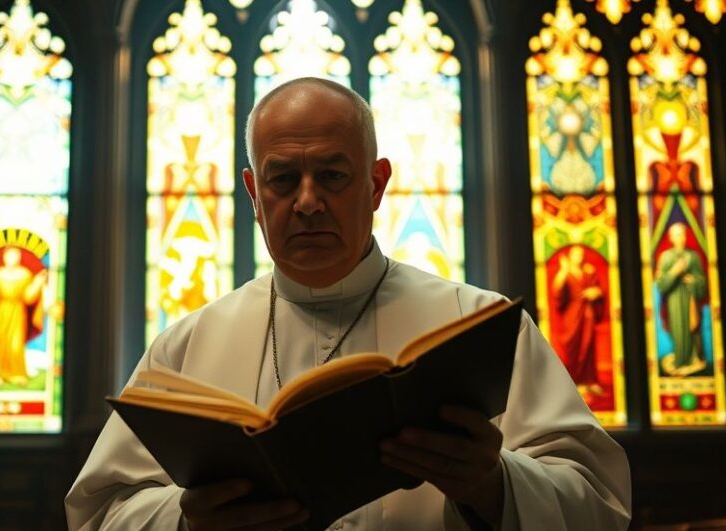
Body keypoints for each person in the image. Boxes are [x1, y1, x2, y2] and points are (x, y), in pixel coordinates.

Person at [66, 78, 630, 530]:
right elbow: (101, 512)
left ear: (377, 183)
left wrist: (493, 483)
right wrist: (189, 522)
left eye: (332, 175)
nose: (307, 202)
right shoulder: (185, 346)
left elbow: (597, 504)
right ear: (253, 196)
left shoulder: (478, 324)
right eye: (282, 179)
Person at [0, 245, 47, 387]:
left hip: (17, 312)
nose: (12, 258)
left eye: (16, 255)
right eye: (10, 255)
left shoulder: (25, 274)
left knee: (15, 343)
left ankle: (17, 374)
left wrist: (37, 284)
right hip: (0, 312)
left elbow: (28, 297)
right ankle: (1, 373)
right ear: (4, 257)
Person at [550, 245, 605, 396]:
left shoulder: (588, 272)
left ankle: (589, 381)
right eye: (576, 254)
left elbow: (598, 289)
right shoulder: (566, 273)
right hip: (572, 317)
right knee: (572, 347)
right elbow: (557, 293)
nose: (579, 257)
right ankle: (574, 382)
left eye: (581, 254)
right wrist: (563, 271)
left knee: (588, 348)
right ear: (570, 256)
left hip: (588, 316)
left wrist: (596, 293)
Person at [655, 222, 707, 376]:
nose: (680, 237)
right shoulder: (666, 257)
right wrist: (674, 272)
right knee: (678, 328)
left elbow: (702, 282)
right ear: (671, 238)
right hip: (674, 299)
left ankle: (693, 358)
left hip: (691, 299)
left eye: (682, 234)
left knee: (693, 328)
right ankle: (680, 360)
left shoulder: (693, 257)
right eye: (677, 234)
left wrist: (694, 280)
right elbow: (661, 284)